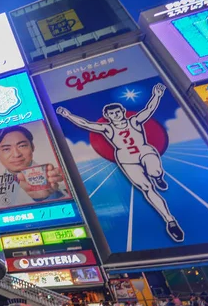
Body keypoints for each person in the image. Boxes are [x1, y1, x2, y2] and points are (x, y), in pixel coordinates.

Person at [57, 83, 183, 242]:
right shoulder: (107, 129)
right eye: (112, 114)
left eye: (118, 112)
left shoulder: (134, 121)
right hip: (126, 159)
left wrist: (157, 95)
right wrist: (68, 115)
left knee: (154, 169)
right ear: (107, 116)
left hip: (144, 151)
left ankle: (158, 176)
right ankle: (170, 221)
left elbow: (149, 109)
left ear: (123, 112)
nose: (116, 115)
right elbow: (86, 124)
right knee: (146, 188)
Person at [0, 126, 67, 207]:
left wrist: (47, 197)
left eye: (22, 146)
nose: (16, 154)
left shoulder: (53, 176)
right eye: (6, 149)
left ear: (32, 147)